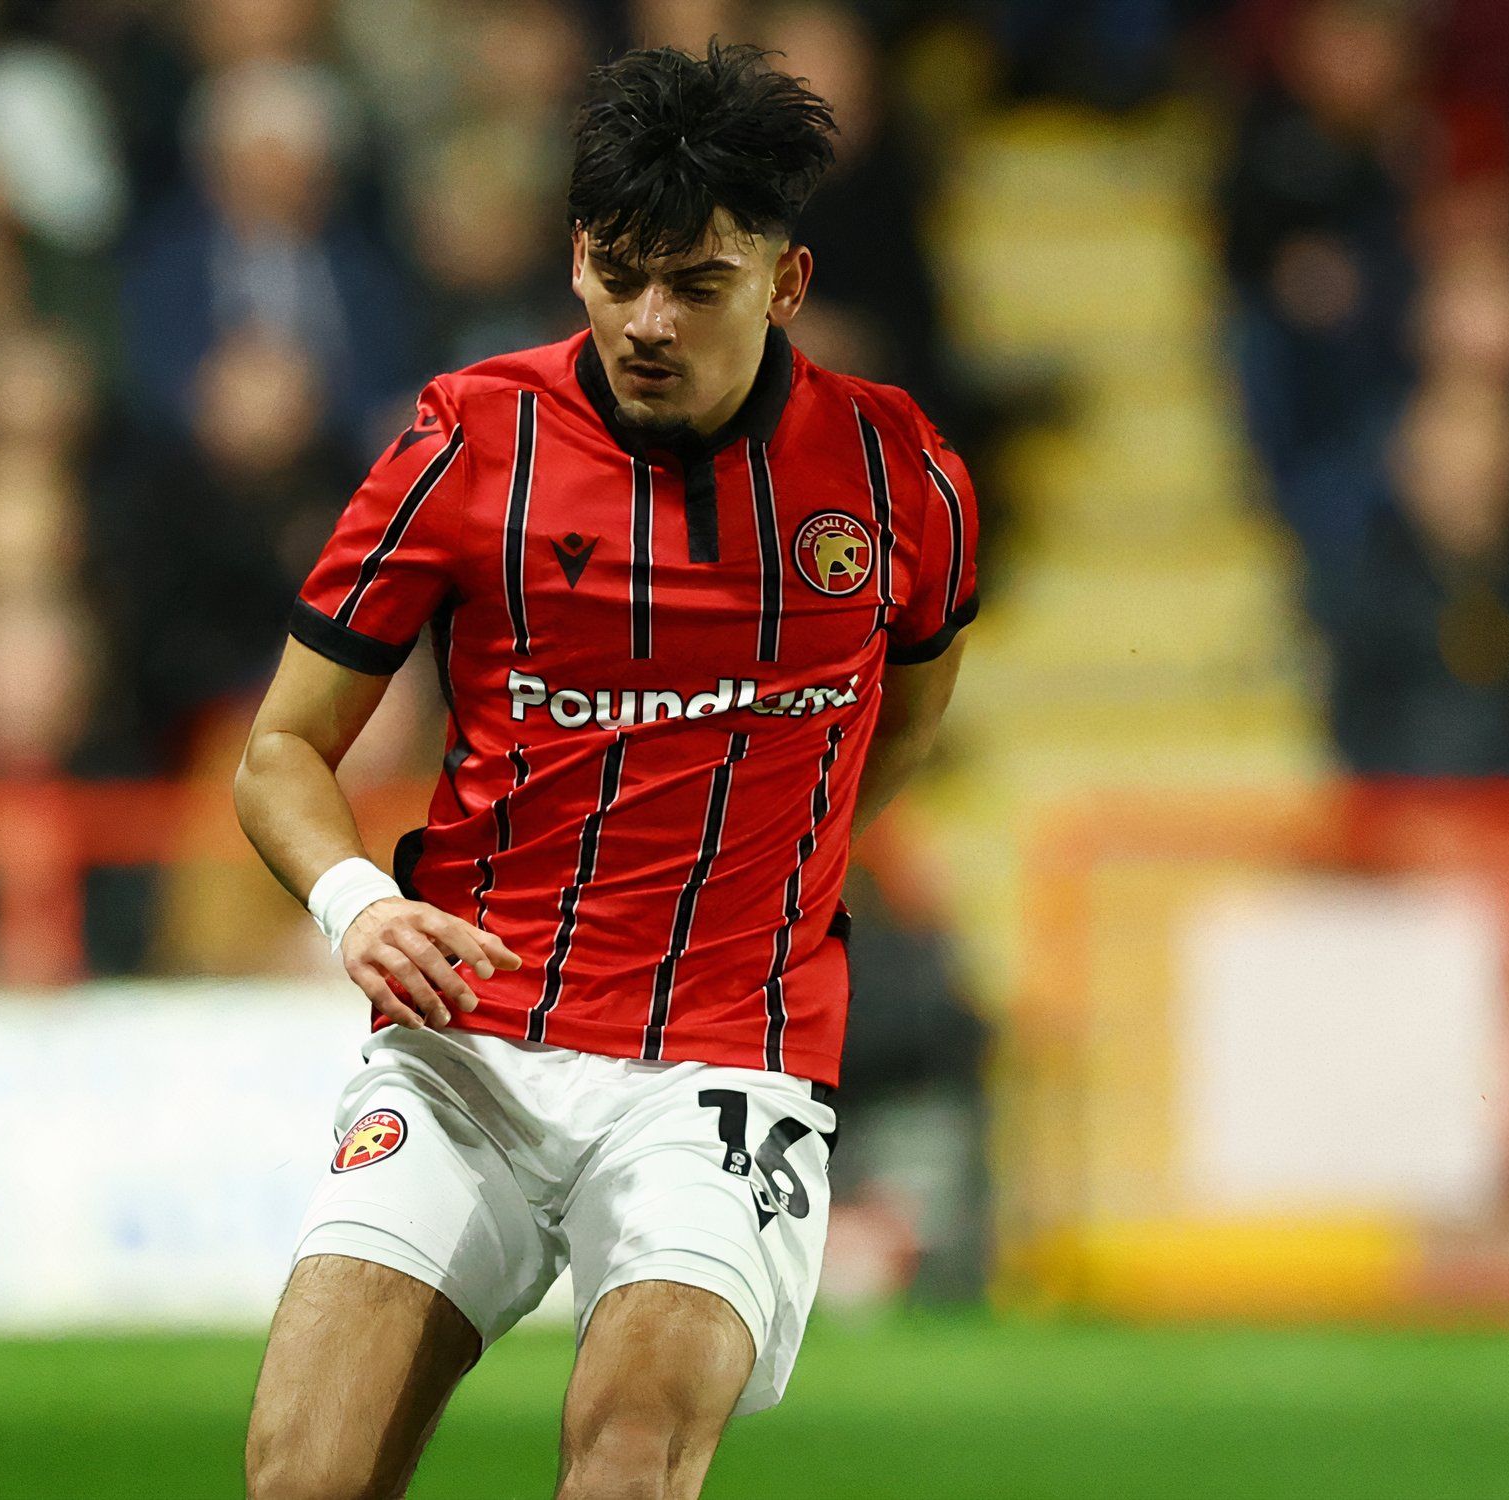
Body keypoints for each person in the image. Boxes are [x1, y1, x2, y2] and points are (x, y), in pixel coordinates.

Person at [236, 45, 978, 1500]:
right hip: (468, 1046)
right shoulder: (467, 442)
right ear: (576, 259)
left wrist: (789, 872)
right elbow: (280, 749)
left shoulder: (898, 479)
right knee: (301, 1474)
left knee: (632, 1449)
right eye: (619, 272)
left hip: (726, 1062)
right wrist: (351, 906)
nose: (650, 321)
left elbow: (909, 707)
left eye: (697, 285)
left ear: (787, 282)